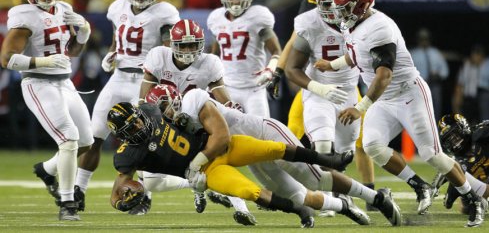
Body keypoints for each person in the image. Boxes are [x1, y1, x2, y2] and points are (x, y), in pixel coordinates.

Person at [314, 0, 485, 227]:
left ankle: (473, 198)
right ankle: (420, 186)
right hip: (384, 99)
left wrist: (359, 108)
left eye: (345, 7)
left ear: (360, 5)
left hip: (408, 94)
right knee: (372, 145)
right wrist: (332, 64)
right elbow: (354, 54)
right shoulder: (353, 24)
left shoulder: (379, 27)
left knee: (431, 154)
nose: (339, 13)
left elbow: (384, 75)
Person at [147, 84, 403, 226]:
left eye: (164, 107)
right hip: (248, 154)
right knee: (298, 196)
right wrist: (198, 183)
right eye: (159, 113)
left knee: (316, 179)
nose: (165, 115)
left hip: (265, 134)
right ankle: (343, 205)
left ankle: (375, 198)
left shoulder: (194, 98)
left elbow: (222, 137)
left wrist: (199, 161)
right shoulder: (172, 132)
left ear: (175, 99)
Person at [107, 102, 372, 228]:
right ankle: (298, 210)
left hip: (217, 146)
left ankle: (329, 160)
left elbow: (174, 114)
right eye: (132, 127)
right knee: (250, 192)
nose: (139, 126)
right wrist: (120, 202)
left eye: (138, 120)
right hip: (207, 170)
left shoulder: (152, 111)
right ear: (123, 134)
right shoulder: (128, 155)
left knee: (274, 148)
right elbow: (117, 189)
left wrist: (180, 118)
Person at [268, 0, 377, 212]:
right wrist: (278, 71)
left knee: (354, 143)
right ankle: (290, 189)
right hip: (315, 86)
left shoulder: (365, 16)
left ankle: (361, 189)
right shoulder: (312, 16)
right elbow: (295, 45)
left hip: (348, 86)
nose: (336, 4)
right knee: (302, 136)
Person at [76, 0, 180, 215]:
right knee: (93, 136)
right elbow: (116, 39)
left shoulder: (164, 13)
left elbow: (169, 51)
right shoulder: (117, 8)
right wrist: (111, 54)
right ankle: (77, 192)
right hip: (118, 78)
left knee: (143, 142)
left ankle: (142, 194)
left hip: (145, 81)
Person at [139, 18, 254, 224]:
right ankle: (196, 185)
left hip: (195, 121)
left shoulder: (209, 62)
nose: (189, 49)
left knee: (217, 160)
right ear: (172, 44)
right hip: (165, 121)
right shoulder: (158, 56)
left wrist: (229, 105)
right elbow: (143, 99)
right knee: (151, 182)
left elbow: (220, 92)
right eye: (184, 45)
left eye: (193, 44)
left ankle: (242, 208)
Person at [0, 0, 93, 221]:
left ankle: (46, 170)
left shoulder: (63, 9)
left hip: (65, 83)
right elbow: (7, 59)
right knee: (70, 139)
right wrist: (43, 63)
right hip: (38, 83)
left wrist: (84, 34)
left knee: (86, 141)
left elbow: (71, 52)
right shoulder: (24, 15)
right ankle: (67, 202)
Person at [207, 0, 282, 117]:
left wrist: (270, 70)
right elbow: (215, 55)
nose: (235, 1)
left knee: (260, 130)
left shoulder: (257, 16)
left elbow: (277, 50)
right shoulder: (216, 19)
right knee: (228, 132)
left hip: (255, 88)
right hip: (227, 87)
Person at [431, 114, 489, 215]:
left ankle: (455, 172)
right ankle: (457, 176)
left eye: (455, 136)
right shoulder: (461, 159)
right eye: (449, 140)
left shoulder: (482, 134)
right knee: (467, 206)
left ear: (463, 127)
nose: (454, 142)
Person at [410, 28, 449, 121]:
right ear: (418, 40)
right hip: (419, 87)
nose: (424, 41)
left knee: (435, 110)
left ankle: (435, 132)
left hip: (434, 85)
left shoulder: (435, 53)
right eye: (422, 39)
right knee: (419, 111)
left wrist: (438, 75)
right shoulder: (413, 54)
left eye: (426, 39)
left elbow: (445, 71)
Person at [452, 44, 486, 124]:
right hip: (468, 99)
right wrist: (457, 98)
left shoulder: (485, 67)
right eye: (475, 54)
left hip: (481, 99)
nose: (477, 57)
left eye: (479, 55)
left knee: (481, 123)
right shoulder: (466, 66)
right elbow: (460, 83)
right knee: (467, 122)